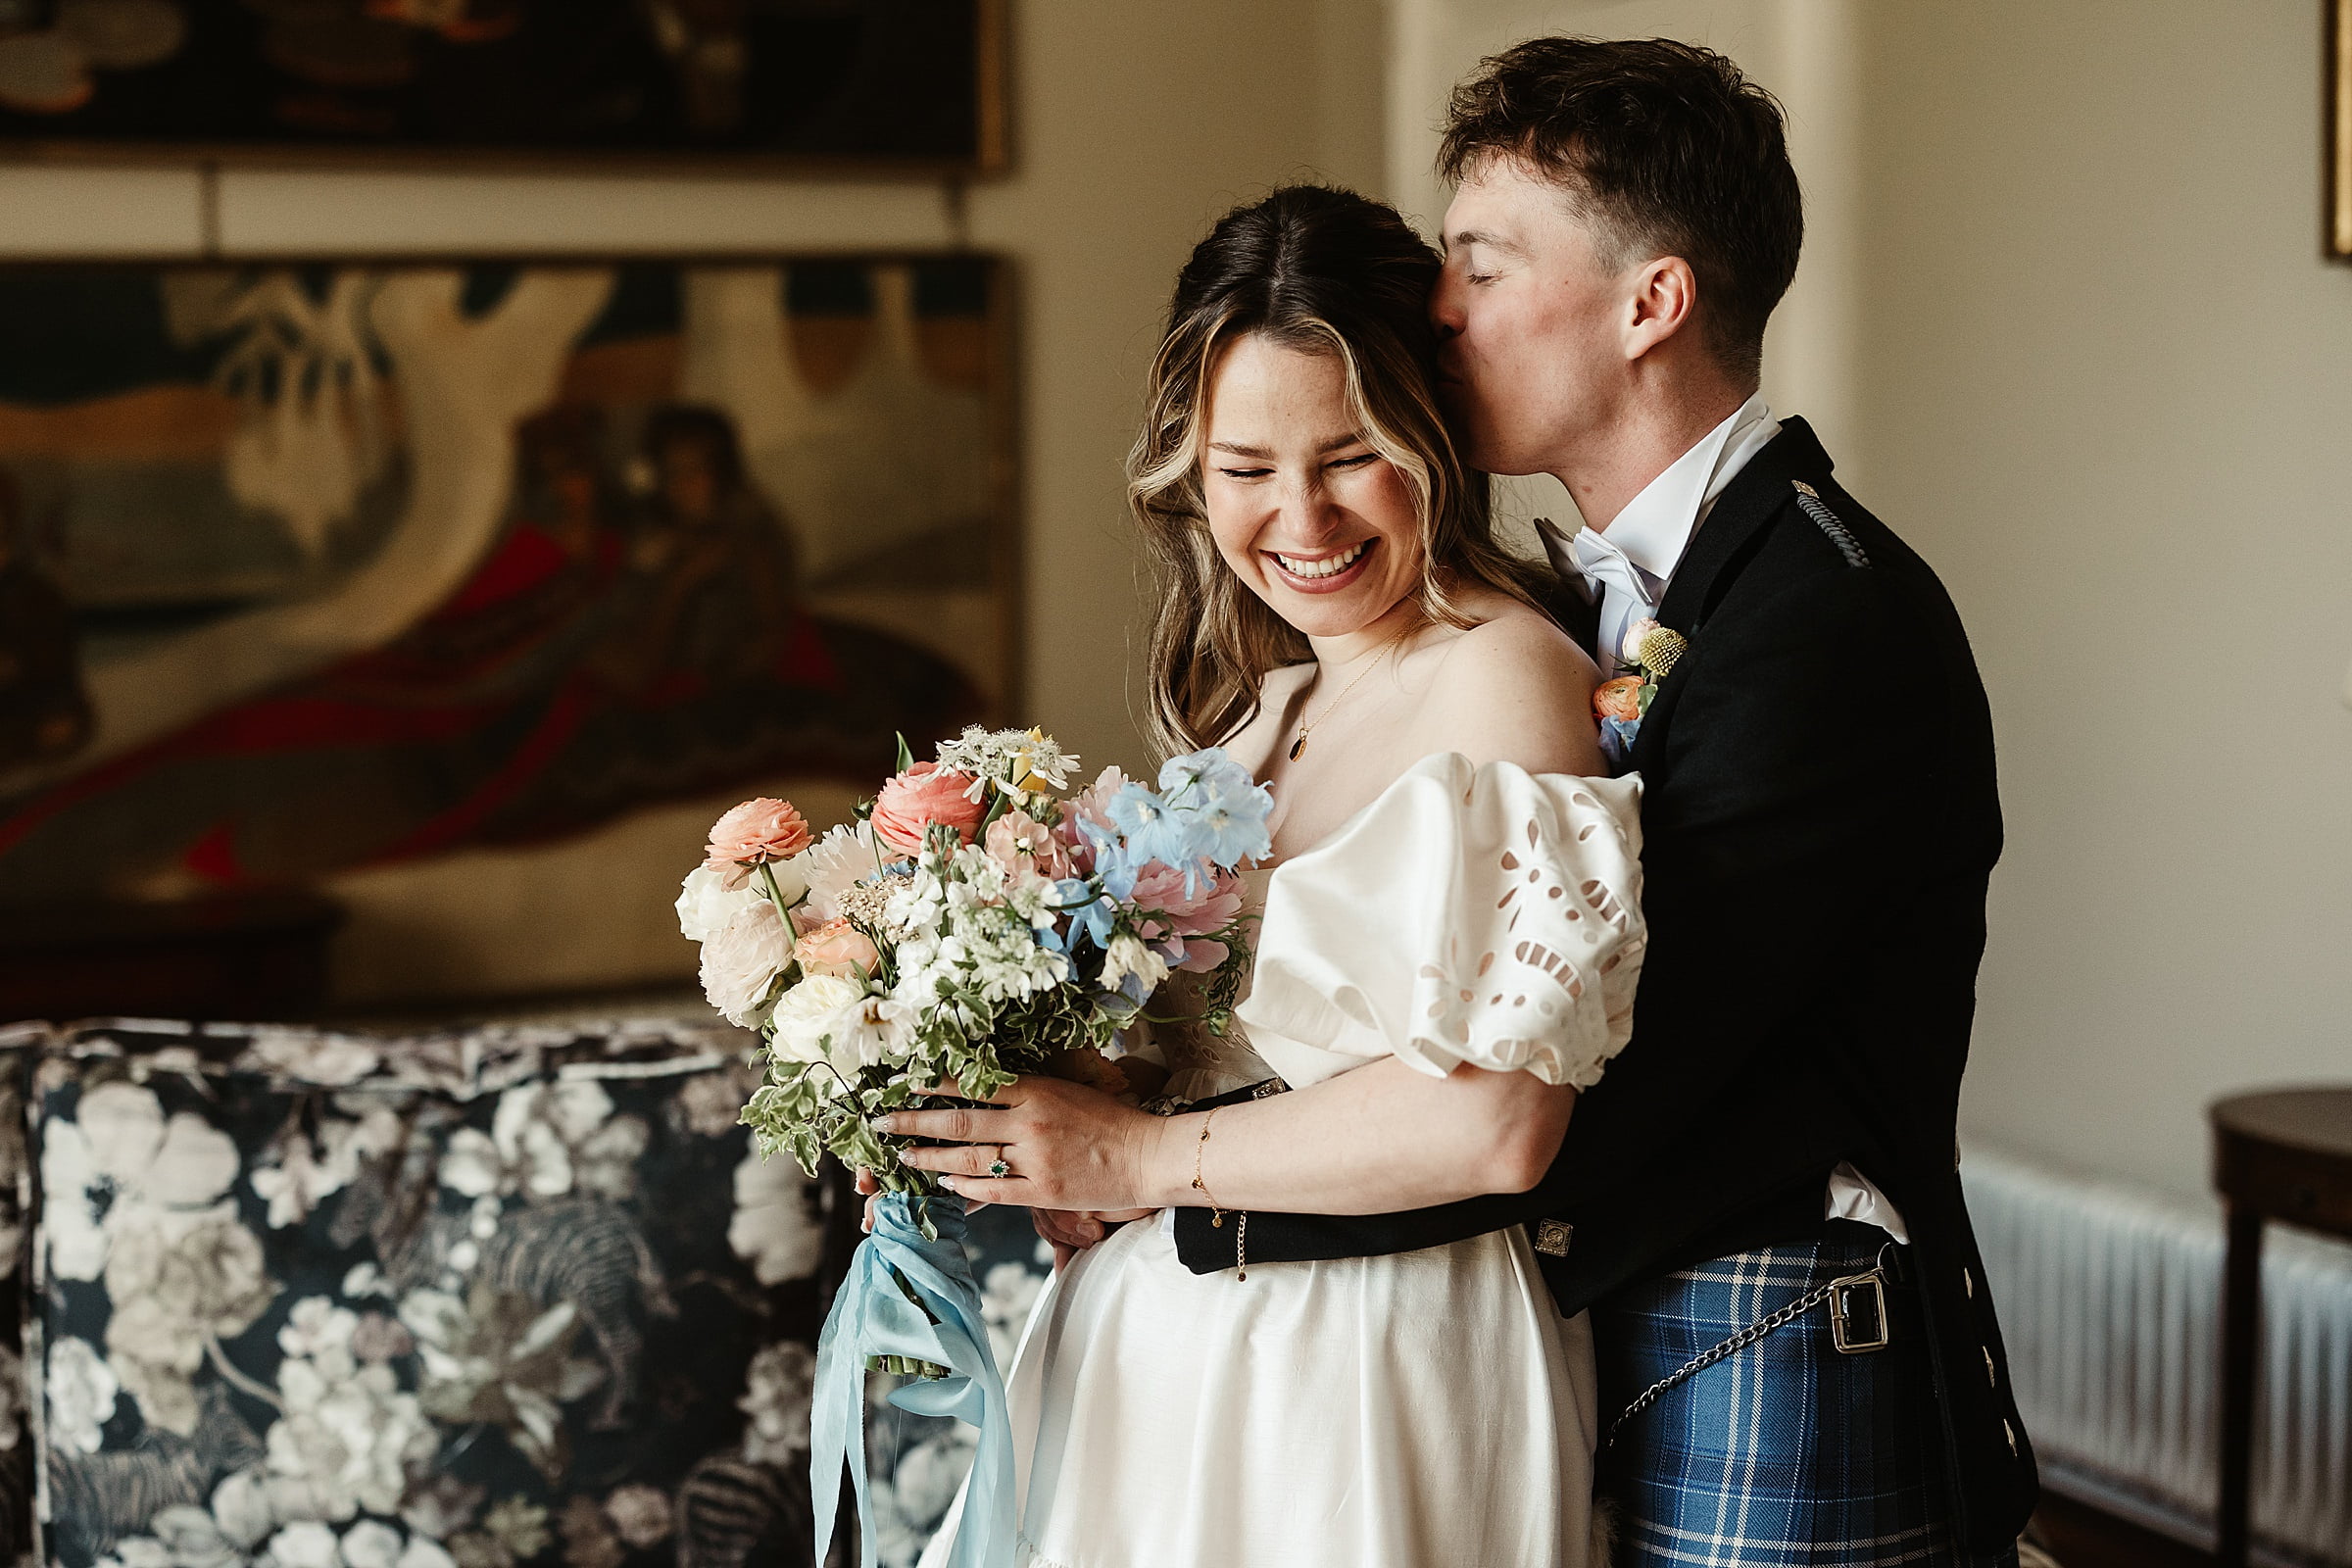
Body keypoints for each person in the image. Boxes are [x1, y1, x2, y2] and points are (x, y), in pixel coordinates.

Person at [901, 34, 2041, 1568]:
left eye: (1482, 268)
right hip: (1575, 1311)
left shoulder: (1822, 621)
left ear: (1652, 302)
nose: (1443, 309)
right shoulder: (1580, 604)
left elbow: (1570, 1085)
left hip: (1765, 1323)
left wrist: (1148, 1169)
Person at [889, 184, 1643, 1567]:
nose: (1300, 516)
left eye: (1351, 453)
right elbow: (1247, 1062)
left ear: (1435, 435)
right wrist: (1025, 1107)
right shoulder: (1252, 715)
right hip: (1157, 1355)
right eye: (1245, 468)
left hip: (1367, 1366)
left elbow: (1498, 1126)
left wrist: (1135, 1154)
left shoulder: (1507, 677)